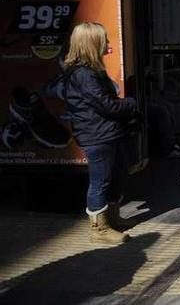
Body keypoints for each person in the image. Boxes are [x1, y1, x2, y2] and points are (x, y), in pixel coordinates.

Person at [57, 22, 139, 244]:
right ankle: (99, 229)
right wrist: (130, 104)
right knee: (100, 181)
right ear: (92, 43)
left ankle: (112, 217)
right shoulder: (84, 74)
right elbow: (107, 105)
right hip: (97, 135)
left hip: (107, 132)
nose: (108, 43)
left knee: (117, 173)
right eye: (104, 39)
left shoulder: (91, 71)